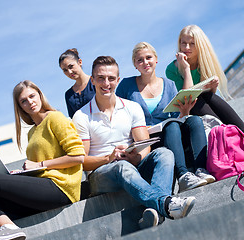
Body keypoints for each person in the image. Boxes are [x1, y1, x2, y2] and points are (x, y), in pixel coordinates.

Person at [0, 80, 85, 240]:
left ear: (40, 95)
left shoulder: (55, 118)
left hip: (60, 188)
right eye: (23, 101)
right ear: (20, 107)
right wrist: (22, 174)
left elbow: (78, 156)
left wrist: (40, 164)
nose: (30, 102)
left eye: (32, 96)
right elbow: (39, 169)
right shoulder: (32, 132)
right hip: (42, 188)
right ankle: (9, 227)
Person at [73, 56, 196, 229]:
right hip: (100, 174)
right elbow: (83, 162)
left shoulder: (132, 107)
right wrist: (109, 158)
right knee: (122, 167)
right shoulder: (81, 116)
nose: (106, 83)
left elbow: (145, 144)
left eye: (111, 78)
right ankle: (167, 203)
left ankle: (155, 212)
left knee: (165, 154)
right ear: (92, 80)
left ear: (118, 80)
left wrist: (135, 158)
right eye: (100, 78)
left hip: (130, 165)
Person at [116, 42, 215, 193]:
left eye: (148, 57)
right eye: (139, 60)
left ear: (156, 59)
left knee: (193, 120)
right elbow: (119, 114)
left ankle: (201, 169)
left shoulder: (169, 85)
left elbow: (177, 116)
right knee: (172, 125)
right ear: (135, 65)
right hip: (147, 138)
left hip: (171, 133)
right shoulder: (126, 85)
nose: (145, 62)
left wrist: (185, 111)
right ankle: (183, 176)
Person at [165, 24, 244, 132]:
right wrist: (186, 68)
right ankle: (227, 132)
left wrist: (212, 87)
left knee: (208, 95)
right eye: (184, 43)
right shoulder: (172, 69)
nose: (187, 48)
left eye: (192, 43)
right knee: (196, 100)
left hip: (204, 103)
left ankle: (239, 130)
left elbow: (209, 95)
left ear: (200, 45)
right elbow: (187, 98)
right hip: (187, 110)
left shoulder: (204, 62)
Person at [59, 48, 96, 118]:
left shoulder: (96, 82)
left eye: (71, 67)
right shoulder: (68, 95)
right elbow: (73, 118)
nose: (69, 72)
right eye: (65, 70)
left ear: (80, 62)